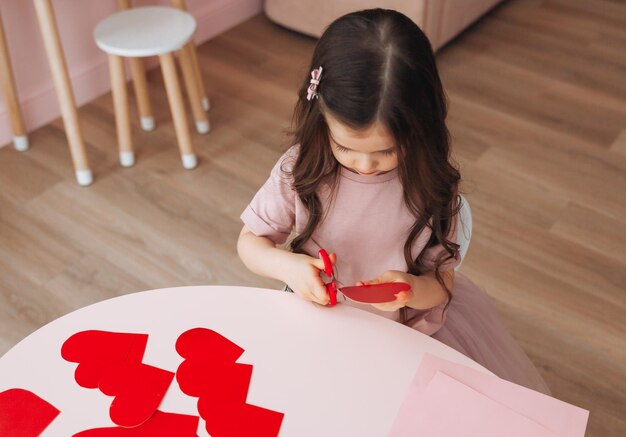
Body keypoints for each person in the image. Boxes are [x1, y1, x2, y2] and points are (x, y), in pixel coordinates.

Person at [237, 8, 550, 394]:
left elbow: (442, 281)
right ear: (322, 120)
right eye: (345, 147)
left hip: (405, 337)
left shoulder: (430, 186)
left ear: (420, 127)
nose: (365, 165)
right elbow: (249, 244)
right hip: (317, 323)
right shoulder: (301, 169)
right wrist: (288, 267)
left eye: (385, 151)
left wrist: (411, 290)